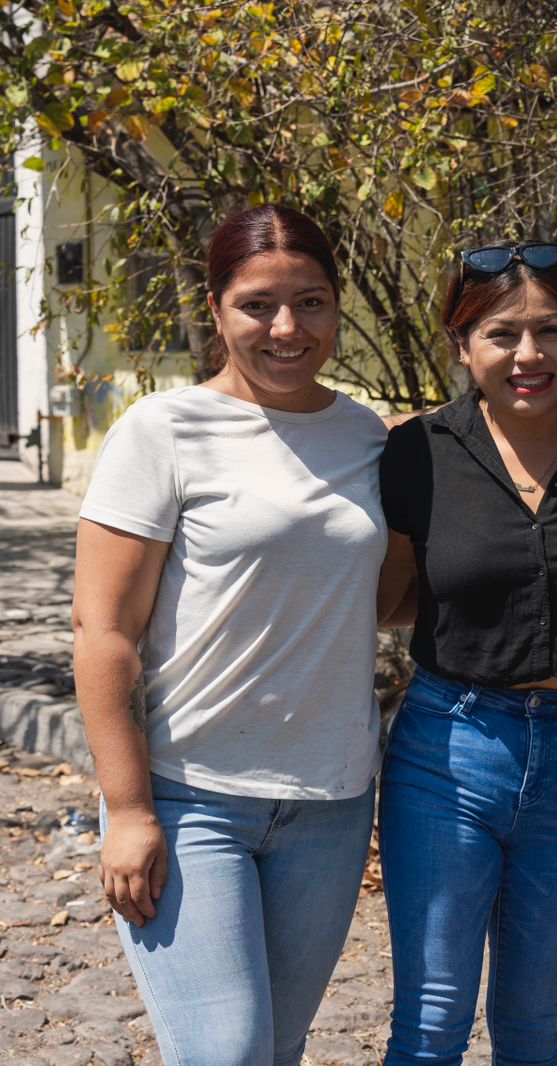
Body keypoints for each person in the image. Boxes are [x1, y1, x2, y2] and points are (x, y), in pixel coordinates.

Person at [71, 204, 386, 1064]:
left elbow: (379, 596)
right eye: (257, 305)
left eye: (312, 302)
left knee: (275, 1051)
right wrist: (129, 809)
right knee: (228, 1051)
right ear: (215, 309)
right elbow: (103, 631)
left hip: (329, 803)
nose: (287, 328)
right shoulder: (162, 431)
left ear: (337, 306)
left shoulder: (366, 436)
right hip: (188, 797)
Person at [374, 240, 557, 1063]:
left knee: (534, 1028)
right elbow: (390, 601)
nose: (528, 355)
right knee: (430, 1027)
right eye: (501, 334)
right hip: (447, 752)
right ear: (463, 347)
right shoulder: (416, 453)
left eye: (552, 331)